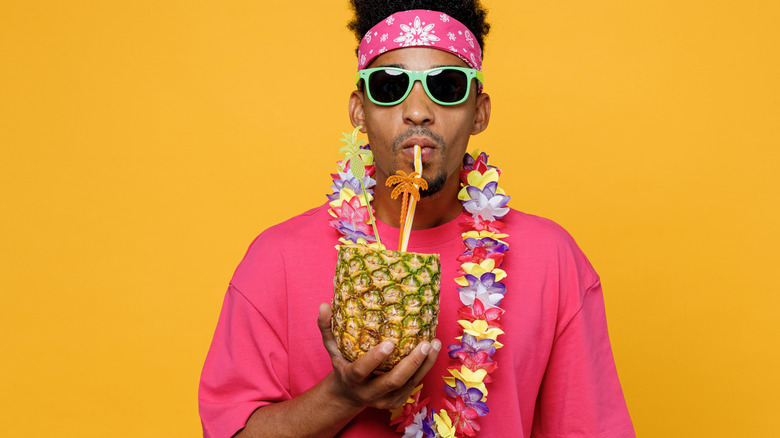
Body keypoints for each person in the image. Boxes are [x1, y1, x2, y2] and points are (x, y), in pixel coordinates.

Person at [199, 1, 635, 437]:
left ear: (479, 111)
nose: (418, 110)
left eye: (446, 85)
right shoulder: (277, 258)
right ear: (358, 110)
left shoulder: (552, 260)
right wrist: (342, 397)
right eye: (390, 87)